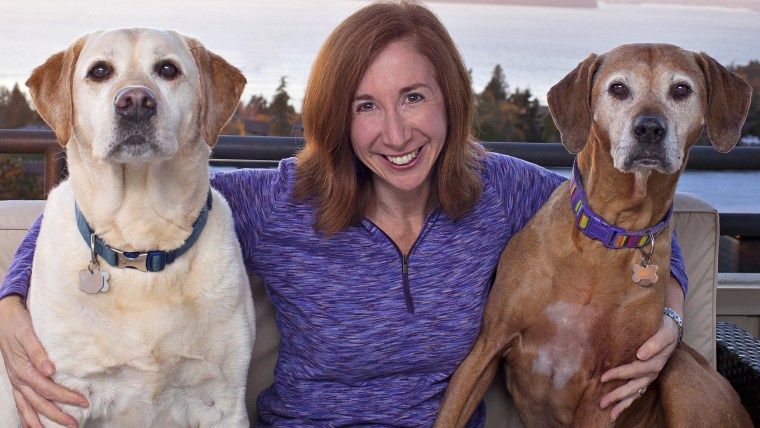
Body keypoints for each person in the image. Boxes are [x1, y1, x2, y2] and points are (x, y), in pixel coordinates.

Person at [0, 1, 687, 426]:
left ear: (450, 99)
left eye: (415, 97)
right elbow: (105, 219)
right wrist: (9, 300)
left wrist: (674, 304)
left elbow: (620, 208)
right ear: (338, 117)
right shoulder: (280, 201)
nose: (395, 132)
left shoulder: (502, 190)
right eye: (365, 106)